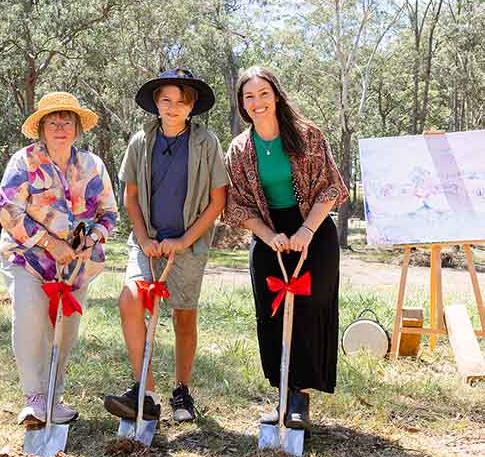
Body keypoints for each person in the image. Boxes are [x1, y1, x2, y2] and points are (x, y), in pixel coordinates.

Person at [223, 66, 348, 432]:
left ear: (276, 95)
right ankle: (282, 393)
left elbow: (330, 188)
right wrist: (267, 235)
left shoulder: (308, 136)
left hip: (313, 232)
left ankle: (300, 400)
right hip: (269, 236)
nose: (257, 102)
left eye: (263, 94)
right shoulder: (239, 149)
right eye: (249, 96)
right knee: (272, 313)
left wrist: (307, 230)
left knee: (309, 311)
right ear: (242, 104)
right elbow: (238, 207)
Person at [104, 68, 229, 423]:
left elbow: (217, 201)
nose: (173, 108)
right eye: (166, 101)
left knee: (183, 317)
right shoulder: (140, 142)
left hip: (188, 246)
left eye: (181, 102)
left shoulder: (207, 144)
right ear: (156, 104)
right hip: (147, 242)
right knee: (131, 297)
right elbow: (130, 196)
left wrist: (185, 240)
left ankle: (181, 392)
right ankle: (146, 392)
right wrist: (144, 238)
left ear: (191, 107)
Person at [0, 92, 118, 425]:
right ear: (42, 129)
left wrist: (89, 239)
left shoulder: (93, 166)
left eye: (68, 121)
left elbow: (109, 213)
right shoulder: (23, 162)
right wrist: (51, 244)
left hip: (77, 265)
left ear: (78, 129)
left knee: (65, 330)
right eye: (53, 122)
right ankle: (33, 398)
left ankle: (53, 396)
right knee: (31, 316)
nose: (61, 127)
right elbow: (8, 212)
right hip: (27, 258)